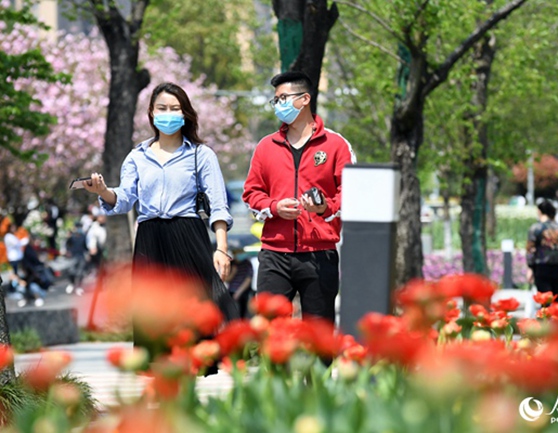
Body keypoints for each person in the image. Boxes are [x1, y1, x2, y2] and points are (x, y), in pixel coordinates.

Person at [81, 82, 239, 355]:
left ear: (186, 113)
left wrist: (221, 249)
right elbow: (124, 199)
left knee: (193, 314)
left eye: (175, 108)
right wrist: (103, 191)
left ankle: (193, 373)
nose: (169, 114)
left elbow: (218, 205)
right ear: (151, 114)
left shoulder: (201, 154)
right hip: (149, 238)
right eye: (162, 108)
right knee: (153, 315)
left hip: (188, 234)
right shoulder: (137, 157)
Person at [243, 71, 355, 324]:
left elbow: (349, 193)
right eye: (276, 100)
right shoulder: (266, 146)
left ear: (304, 99)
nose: (278, 105)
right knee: (270, 330)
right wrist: (274, 207)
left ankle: (322, 366)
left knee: (319, 334)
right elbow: (251, 193)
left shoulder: (336, 145)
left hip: (320, 253)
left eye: (283, 98)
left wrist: (325, 207)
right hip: (274, 253)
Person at [526, 200, 558, 303]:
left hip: (541, 267)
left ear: (540, 211)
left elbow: (530, 249)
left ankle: (546, 319)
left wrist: (530, 268)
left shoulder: (535, 228)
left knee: (545, 300)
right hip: (555, 266)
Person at [224, 248, 254, 319]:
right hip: (231, 291)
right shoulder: (231, 263)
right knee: (231, 314)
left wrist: (238, 292)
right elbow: (227, 279)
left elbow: (248, 279)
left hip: (243, 292)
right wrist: (233, 272)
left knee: (242, 314)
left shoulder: (247, 263)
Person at [65, 222, 89, 294]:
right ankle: (72, 284)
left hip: (81, 256)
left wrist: (87, 254)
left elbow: (86, 246)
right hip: (73, 256)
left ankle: (79, 286)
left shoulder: (84, 237)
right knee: (71, 271)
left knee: (80, 272)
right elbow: (67, 245)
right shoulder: (71, 237)